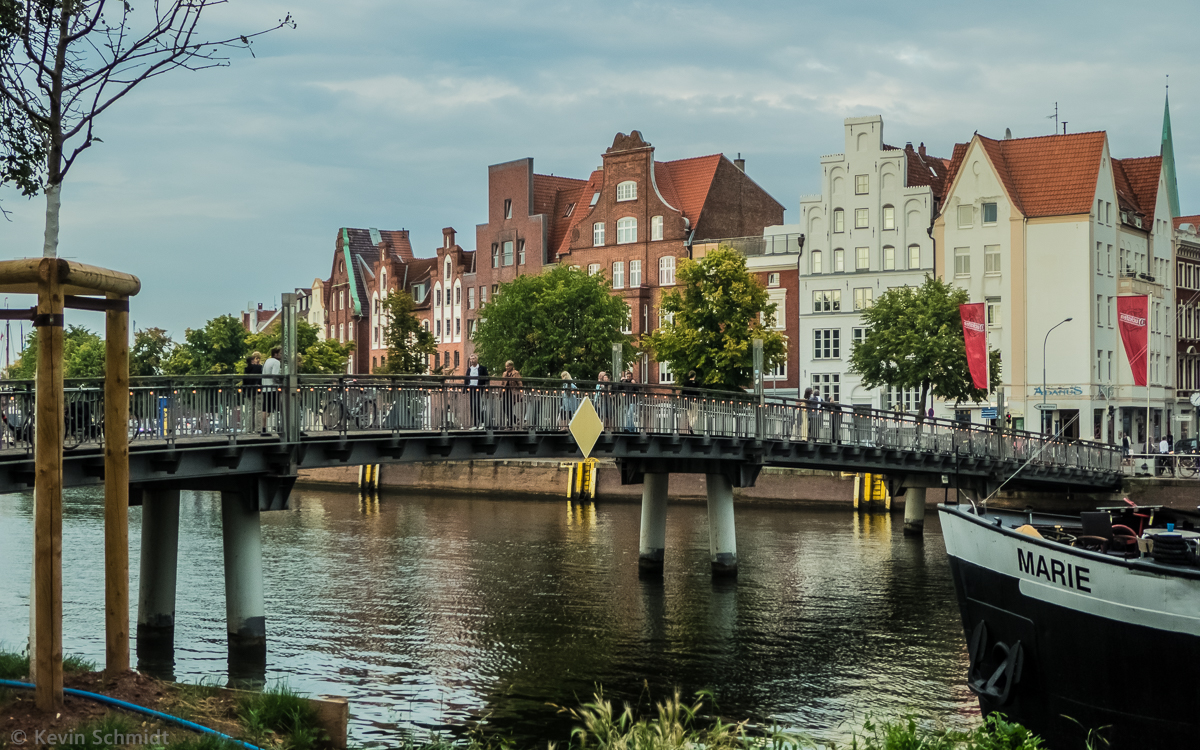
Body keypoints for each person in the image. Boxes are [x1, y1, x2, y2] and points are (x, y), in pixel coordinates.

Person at [261, 346, 282, 434]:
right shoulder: (276, 362)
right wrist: (280, 381)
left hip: (265, 387)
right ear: (276, 354)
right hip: (273, 388)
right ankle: (279, 427)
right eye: (281, 353)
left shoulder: (267, 361)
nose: (282, 355)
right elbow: (275, 375)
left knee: (266, 409)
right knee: (279, 408)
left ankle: (264, 428)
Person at [465, 354, 489, 429]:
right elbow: (466, 379)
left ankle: (481, 422)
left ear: (477, 359)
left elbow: (487, 378)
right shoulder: (469, 369)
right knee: (472, 405)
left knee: (477, 404)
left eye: (473, 359)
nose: (472, 360)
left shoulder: (482, 368)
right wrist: (466, 389)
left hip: (479, 388)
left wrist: (486, 389)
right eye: (471, 359)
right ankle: (475, 424)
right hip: (471, 388)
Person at [242, 352, 263, 432]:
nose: (257, 360)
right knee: (258, 410)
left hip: (248, 391)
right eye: (256, 359)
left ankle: (249, 428)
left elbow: (244, 381)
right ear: (252, 361)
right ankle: (258, 429)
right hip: (257, 390)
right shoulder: (259, 368)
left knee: (250, 410)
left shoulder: (246, 369)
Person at [502, 360, 522, 428]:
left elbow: (519, 382)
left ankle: (510, 424)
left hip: (512, 392)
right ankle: (515, 420)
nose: (507, 367)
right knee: (504, 407)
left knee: (510, 407)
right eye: (506, 366)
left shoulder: (515, 373)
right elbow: (502, 383)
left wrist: (520, 392)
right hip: (505, 392)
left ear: (511, 366)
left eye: (508, 366)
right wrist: (500, 393)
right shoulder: (504, 373)